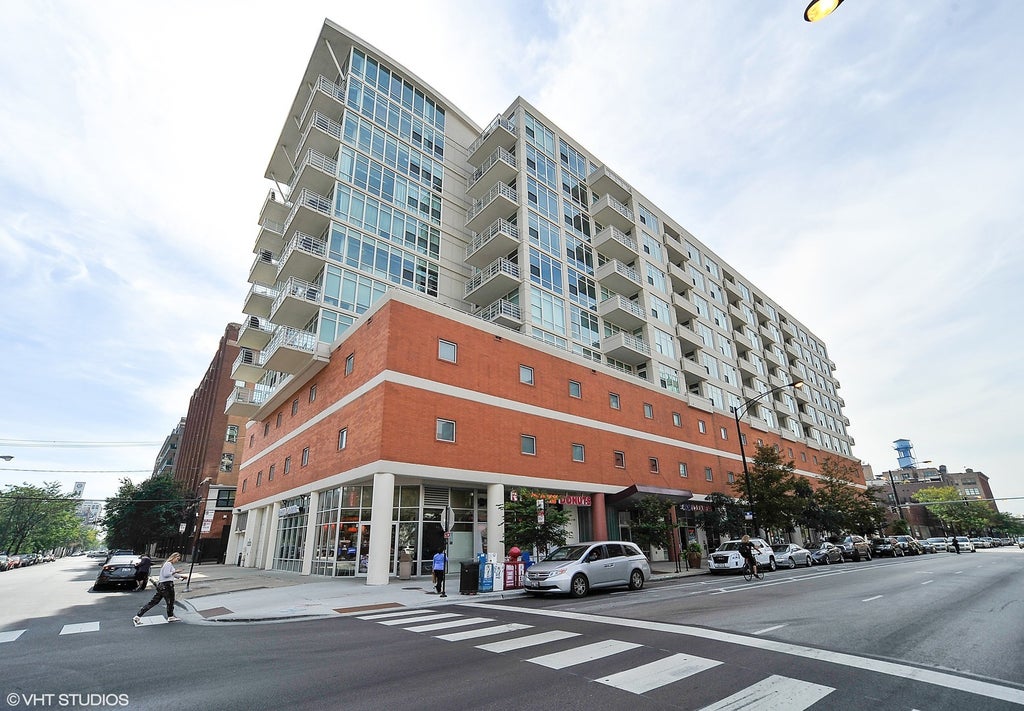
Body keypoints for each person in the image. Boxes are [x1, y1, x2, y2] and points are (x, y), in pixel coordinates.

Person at [133, 552, 184, 625]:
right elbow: (166, 575)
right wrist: (175, 571)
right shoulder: (168, 564)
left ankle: (138, 616)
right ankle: (170, 616)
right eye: (177, 558)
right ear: (173, 557)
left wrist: (181, 576)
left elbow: (173, 574)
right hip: (167, 585)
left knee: (154, 602)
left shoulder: (167, 564)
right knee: (170, 601)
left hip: (162, 586)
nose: (177, 560)